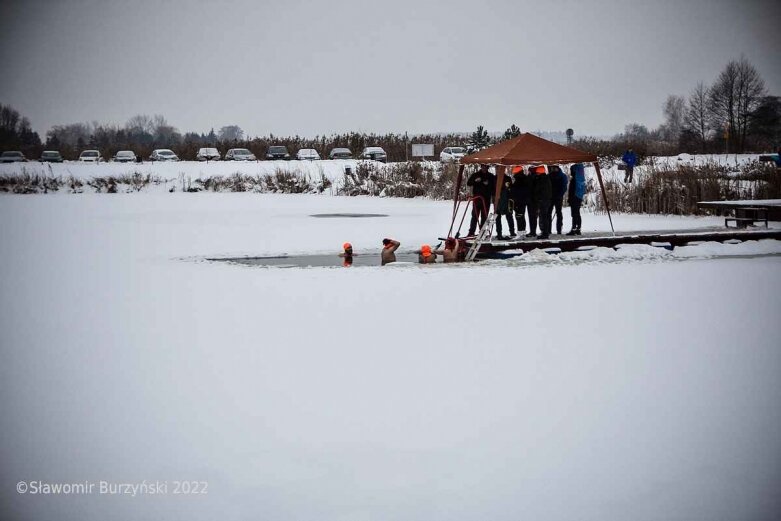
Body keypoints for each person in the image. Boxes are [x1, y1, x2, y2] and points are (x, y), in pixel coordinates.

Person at [466, 164, 495, 236]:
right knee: (474, 216)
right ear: (481, 167)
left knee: (484, 216)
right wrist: (475, 181)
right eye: (483, 167)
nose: (484, 168)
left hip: (486, 199)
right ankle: (471, 232)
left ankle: (482, 232)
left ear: (488, 168)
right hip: (477, 198)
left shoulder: (491, 176)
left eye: (486, 167)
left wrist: (488, 184)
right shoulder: (476, 175)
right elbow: (469, 183)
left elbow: (494, 187)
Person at [531, 165, 552, 239]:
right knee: (544, 217)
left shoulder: (541, 180)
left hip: (542, 201)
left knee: (543, 217)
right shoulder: (546, 179)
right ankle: (545, 232)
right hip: (546, 200)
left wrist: (537, 198)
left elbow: (538, 190)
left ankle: (545, 233)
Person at [548, 165, 569, 235]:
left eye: (554, 168)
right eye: (552, 168)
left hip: (558, 197)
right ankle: (548, 230)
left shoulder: (562, 176)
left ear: (557, 168)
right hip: (550, 197)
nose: (553, 169)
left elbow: (564, 187)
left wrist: (560, 195)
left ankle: (559, 230)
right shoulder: (549, 176)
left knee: (559, 213)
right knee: (548, 214)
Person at [567, 163, 586, 235]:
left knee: (574, 214)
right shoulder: (581, 179)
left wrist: (569, 199)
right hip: (579, 197)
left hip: (574, 198)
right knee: (577, 213)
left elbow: (571, 190)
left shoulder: (574, 180)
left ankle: (574, 229)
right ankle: (578, 229)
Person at [495, 174, 515, 240]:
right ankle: (499, 233)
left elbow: (510, 188)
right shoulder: (494, 178)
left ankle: (512, 232)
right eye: (497, 168)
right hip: (497, 200)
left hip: (506, 200)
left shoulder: (507, 178)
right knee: (497, 217)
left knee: (509, 216)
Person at [510, 166, 530, 234]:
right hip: (522, 201)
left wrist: (510, 188)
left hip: (519, 202)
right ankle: (522, 232)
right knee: (521, 216)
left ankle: (520, 232)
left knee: (519, 217)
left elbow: (517, 191)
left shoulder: (519, 180)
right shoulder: (525, 179)